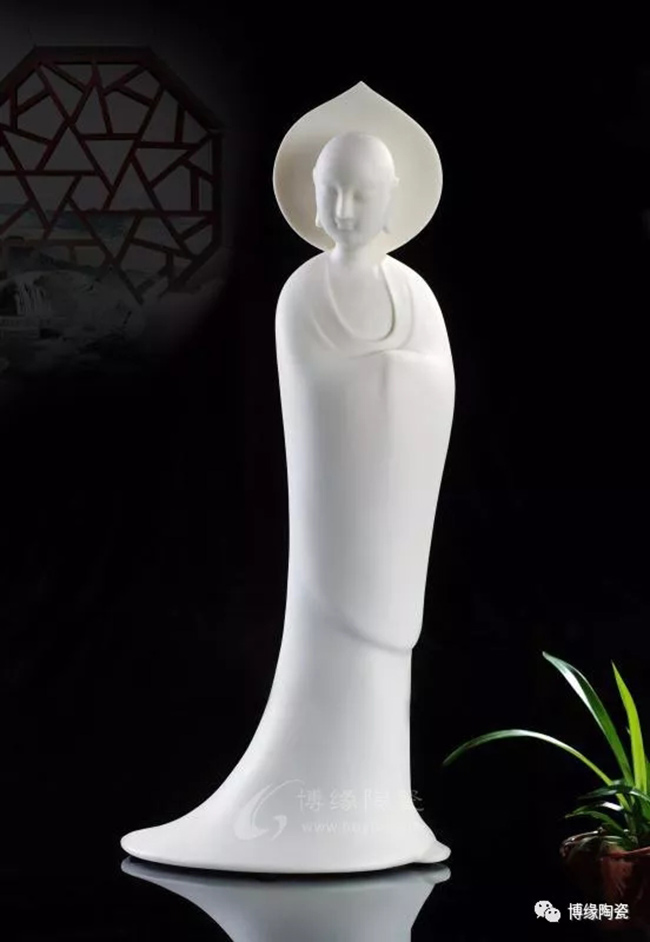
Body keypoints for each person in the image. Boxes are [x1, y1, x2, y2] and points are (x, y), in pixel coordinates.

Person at [121, 83, 455, 873]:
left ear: (392, 200)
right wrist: (383, 374)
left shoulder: (414, 294)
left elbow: (439, 385)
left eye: (362, 194)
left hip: (388, 520)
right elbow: (310, 390)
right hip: (337, 519)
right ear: (311, 198)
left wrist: (396, 375)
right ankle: (302, 808)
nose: (345, 209)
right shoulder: (303, 292)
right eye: (331, 192)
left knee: (384, 665)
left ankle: (382, 814)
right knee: (329, 645)